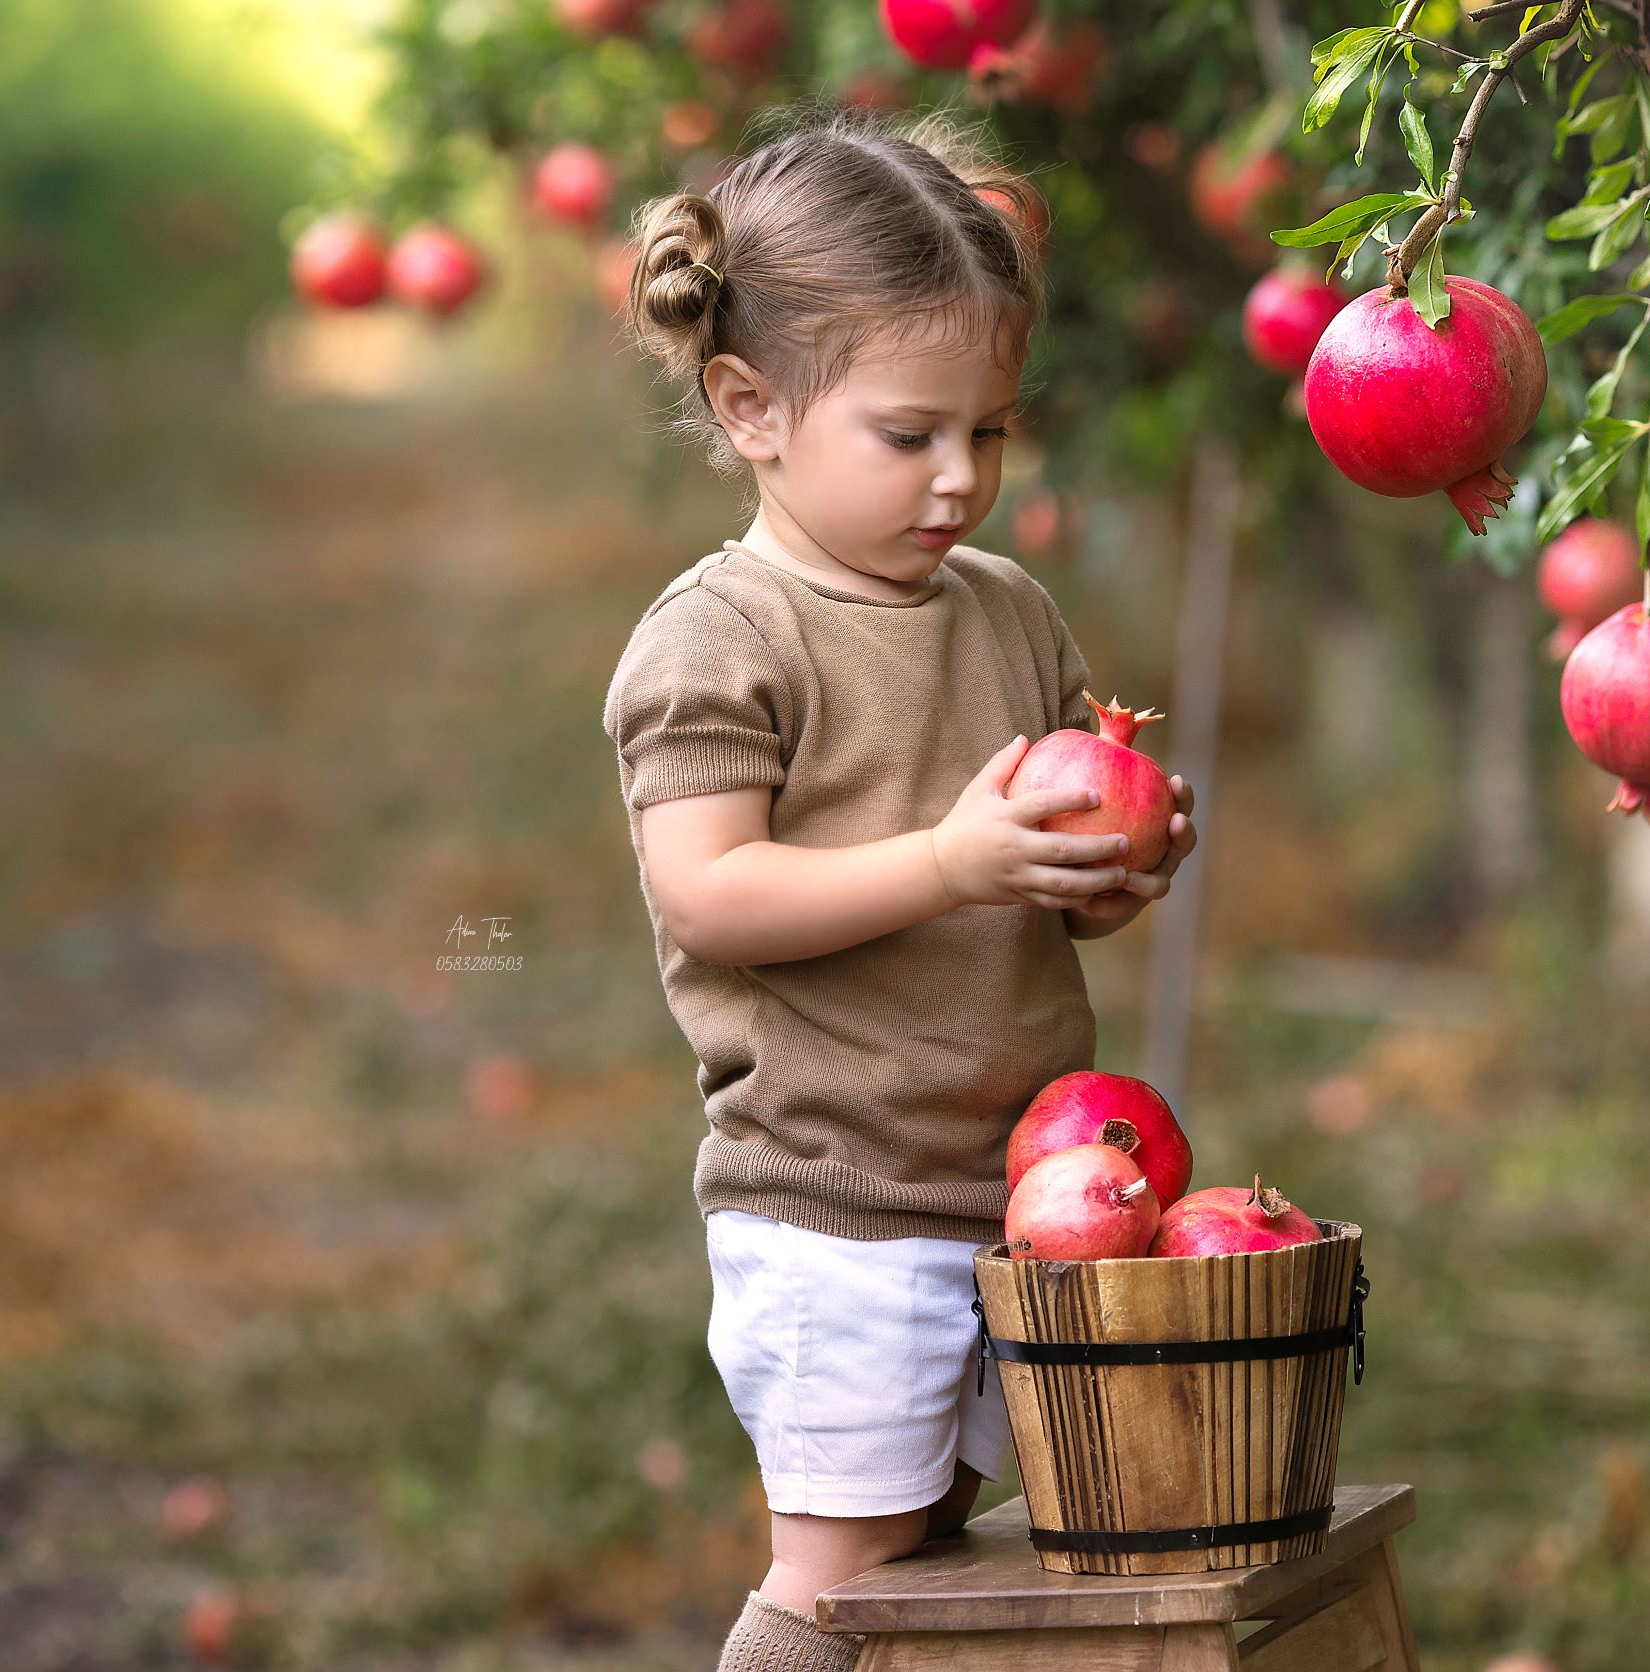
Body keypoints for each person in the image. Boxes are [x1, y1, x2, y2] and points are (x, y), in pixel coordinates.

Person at [601, 107, 1198, 1671]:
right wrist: (950, 859)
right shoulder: (720, 639)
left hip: (1017, 1192)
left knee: (940, 1563)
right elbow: (711, 895)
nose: (959, 479)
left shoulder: (1008, 613)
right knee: (841, 1573)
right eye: (909, 434)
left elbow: (1042, 890)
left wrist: (1108, 873)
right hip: (836, 1204)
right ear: (752, 408)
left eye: (989, 433)